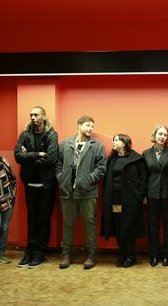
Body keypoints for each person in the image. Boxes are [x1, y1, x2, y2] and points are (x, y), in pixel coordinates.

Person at [56, 115, 106, 270]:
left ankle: (92, 254)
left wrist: (88, 179)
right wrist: (61, 177)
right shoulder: (65, 144)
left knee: (90, 223)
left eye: (92, 126)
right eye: (87, 125)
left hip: (88, 192)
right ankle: (66, 253)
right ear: (79, 125)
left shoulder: (96, 145)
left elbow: (101, 167)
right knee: (68, 223)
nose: (90, 128)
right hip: (67, 191)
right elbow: (58, 163)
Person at [14, 106, 59, 268]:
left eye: (36, 115)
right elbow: (18, 156)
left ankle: (40, 252)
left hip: (46, 185)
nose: (33, 117)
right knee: (31, 218)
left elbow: (52, 158)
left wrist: (29, 157)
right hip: (30, 184)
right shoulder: (25, 134)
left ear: (44, 117)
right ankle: (30, 250)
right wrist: (38, 154)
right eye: (31, 115)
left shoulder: (51, 134)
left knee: (43, 219)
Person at [101, 134, 147, 268]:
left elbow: (144, 178)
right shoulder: (112, 159)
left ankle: (131, 256)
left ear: (125, 143)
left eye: (116, 140)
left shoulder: (137, 159)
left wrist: (141, 195)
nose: (113, 142)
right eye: (113, 140)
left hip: (130, 200)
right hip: (114, 199)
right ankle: (122, 255)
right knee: (118, 227)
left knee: (128, 228)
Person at [142, 125, 168, 267]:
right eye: (160, 134)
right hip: (151, 194)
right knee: (153, 226)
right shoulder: (145, 153)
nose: (162, 137)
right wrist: (144, 194)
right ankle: (154, 254)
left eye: (165, 135)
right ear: (155, 135)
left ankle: (167, 255)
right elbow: (144, 176)